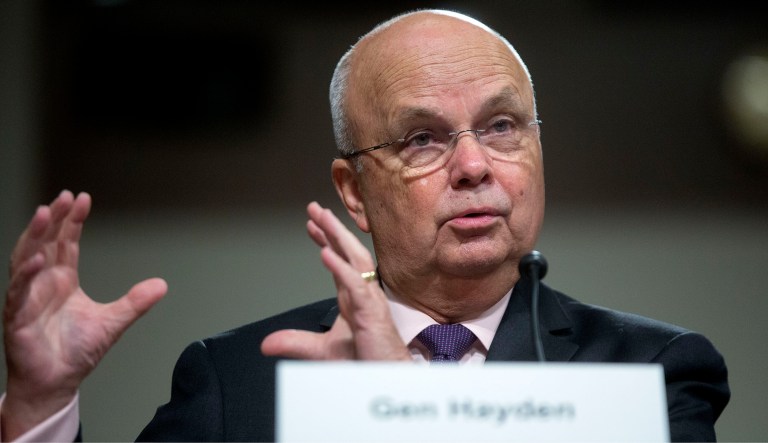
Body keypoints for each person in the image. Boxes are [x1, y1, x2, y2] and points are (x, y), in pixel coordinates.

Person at [1, 8, 730, 442]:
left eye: (502, 126)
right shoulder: (241, 381)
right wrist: (41, 403)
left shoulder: (650, 372)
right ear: (353, 190)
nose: (474, 166)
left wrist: (401, 415)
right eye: (423, 139)